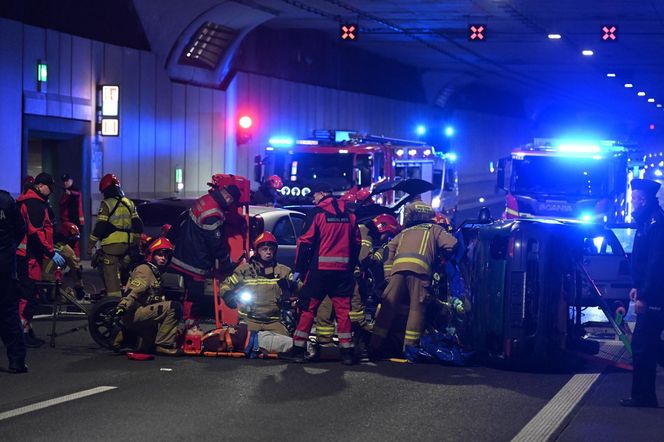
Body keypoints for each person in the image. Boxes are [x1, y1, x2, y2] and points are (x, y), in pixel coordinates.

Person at [281, 182, 361, 365]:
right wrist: (350, 266)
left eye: (314, 195)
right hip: (343, 272)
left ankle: (298, 349)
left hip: (320, 271)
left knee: (308, 308)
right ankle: (347, 352)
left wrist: (299, 269)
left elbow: (305, 243)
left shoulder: (316, 214)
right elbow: (356, 243)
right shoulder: (350, 215)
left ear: (322, 193)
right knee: (343, 310)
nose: (313, 199)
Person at [370, 201, 458, 362]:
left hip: (398, 272)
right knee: (416, 310)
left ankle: (375, 345)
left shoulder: (403, 232)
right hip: (420, 272)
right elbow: (452, 244)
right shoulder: (435, 229)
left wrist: (389, 275)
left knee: (387, 307)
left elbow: (387, 252)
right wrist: (441, 257)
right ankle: (409, 348)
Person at [314, 213, 401, 361]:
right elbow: (362, 260)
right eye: (387, 236)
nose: (385, 239)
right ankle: (354, 336)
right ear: (382, 228)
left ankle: (325, 341)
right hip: (346, 275)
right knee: (353, 307)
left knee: (327, 305)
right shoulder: (366, 236)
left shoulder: (360, 229)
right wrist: (378, 255)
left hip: (330, 270)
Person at [170, 174, 241, 322]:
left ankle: (184, 322)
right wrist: (225, 260)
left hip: (184, 252)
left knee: (188, 293)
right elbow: (215, 242)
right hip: (195, 260)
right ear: (228, 198)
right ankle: (188, 325)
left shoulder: (206, 199)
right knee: (195, 296)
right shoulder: (213, 213)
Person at [621, 178, 664, 408]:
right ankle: (643, 396)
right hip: (652, 292)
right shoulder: (649, 220)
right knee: (647, 344)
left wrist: (645, 295)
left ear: (643, 199)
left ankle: (643, 397)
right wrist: (638, 285)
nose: (632, 202)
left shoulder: (655, 223)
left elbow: (656, 263)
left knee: (643, 346)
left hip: (656, 296)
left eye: (634, 198)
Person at [220, 232, 297, 354]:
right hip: (250, 320)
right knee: (242, 342)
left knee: (289, 345)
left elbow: (301, 289)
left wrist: (292, 285)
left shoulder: (283, 271)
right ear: (257, 251)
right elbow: (225, 285)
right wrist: (228, 295)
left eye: (271, 249)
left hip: (273, 322)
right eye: (264, 249)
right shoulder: (244, 270)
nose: (268, 252)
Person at [16, 173, 65, 347]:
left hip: (28, 255)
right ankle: (20, 334)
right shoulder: (34, 203)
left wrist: (50, 249)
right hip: (28, 257)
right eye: (50, 188)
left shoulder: (30, 201)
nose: (51, 192)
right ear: (41, 186)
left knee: (30, 295)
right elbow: (35, 233)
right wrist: (51, 253)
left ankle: (26, 331)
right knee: (28, 296)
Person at [114, 237, 183, 356]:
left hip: (144, 315)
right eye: (160, 254)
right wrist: (123, 306)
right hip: (135, 313)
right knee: (174, 307)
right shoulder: (145, 270)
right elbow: (134, 291)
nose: (163, 258)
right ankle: (162, 345)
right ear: (152, 255)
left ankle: (125, 337)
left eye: (166, 256)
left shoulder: (156, 273)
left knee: (146, 347)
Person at [87, 174, 143, 297]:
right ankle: (127, 297)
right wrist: (135, 243)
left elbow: (100, 227)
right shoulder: (129, 203)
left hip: (111, 246)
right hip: (127, 246)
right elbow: (138, 225)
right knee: (125, 272)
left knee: (110, 274)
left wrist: (90, 245)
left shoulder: (107, 204)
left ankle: (114, 302)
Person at [0, 189, 28, 373]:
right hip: (4, 264)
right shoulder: (5, 200)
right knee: (9, 313)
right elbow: (20, 228)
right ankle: (17, 361)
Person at [42, 222, 85, 300]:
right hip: (52, 282)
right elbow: (76, 269)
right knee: (70, 297)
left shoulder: (49, 243)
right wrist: (79, 288)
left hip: (38, 280)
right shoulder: (67, 250)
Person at [58, 173, 85, 256]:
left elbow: (76, 194)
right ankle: (74, 263)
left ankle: (75, 263)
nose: (65, 183)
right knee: (69, 243)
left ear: (71, 181)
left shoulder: (75, 192)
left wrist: (70, 193)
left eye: (67, 181)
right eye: (64, 181)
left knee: (74, 243)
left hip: (73, 222)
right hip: (68, 222)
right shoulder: (67, 194)